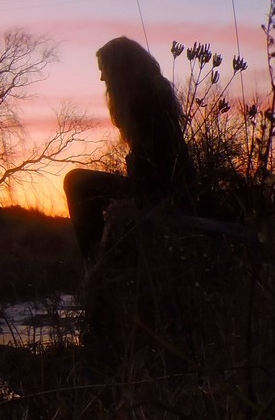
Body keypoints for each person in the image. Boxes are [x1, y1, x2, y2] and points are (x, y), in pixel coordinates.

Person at [64, 37, 199, 259]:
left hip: (163, 193)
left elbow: (158, 162)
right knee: (79, 182)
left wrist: (135, 198)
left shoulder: (146, 100)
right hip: (159, 188)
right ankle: (98, 260)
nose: (101, 77)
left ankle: (94, 262)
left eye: (103, 69)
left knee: (76, 181)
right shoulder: (151, 93)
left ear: (118, 68)